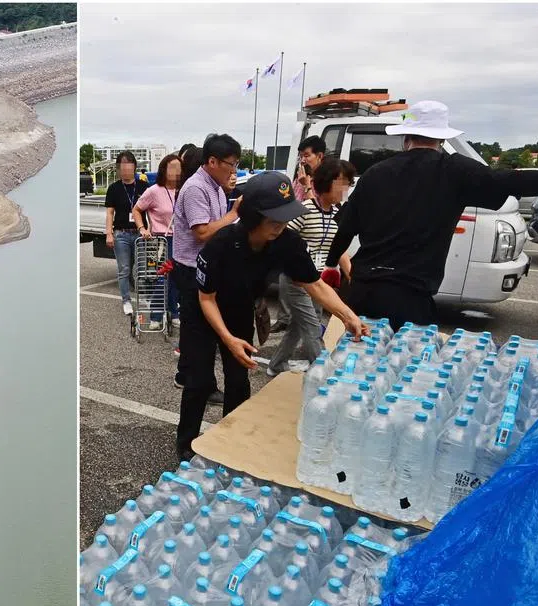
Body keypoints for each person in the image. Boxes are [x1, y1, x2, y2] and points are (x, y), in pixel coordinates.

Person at [323, 100, 538, 328]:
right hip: (409, 300)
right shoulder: (455, 171)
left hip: (361, 293)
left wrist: (332, 264)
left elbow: (346, 228)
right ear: (442, 140)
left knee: (354, 370)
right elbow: (512, 181)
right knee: (401, 373)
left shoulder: (375, 173)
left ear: (405, 138)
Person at [176, 171, 369, 462]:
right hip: (203, 310)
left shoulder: (286, 241)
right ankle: (186, 444)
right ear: (253, 216)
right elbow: (206, 298)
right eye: (274, 219)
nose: (281, 226)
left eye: (285, 217)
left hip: (240, 307)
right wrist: (227, 339)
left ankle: (231, 438)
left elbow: (314, 284)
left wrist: (348, 316)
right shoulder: (222, 243)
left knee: (238, 378)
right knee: (199, 380)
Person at [266, 158, 357, 377]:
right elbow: (283, 239)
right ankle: (326, 375)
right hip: (297, 281)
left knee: (299, 326)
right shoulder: (304, 209)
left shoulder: (338, 215)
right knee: (313, 327)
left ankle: (276, 364)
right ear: (326, 182)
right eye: (341, 182)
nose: (345, 189)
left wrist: (351, 274)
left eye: (348, 183)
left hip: (319, 282)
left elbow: (340, 249)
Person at [171, 134, 243, 396]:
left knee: (200, 329)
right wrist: (234, 215)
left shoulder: (215, 186)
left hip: (206, 265)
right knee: (198, 332)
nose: (234, 170)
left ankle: (188, 376)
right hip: (191, 269)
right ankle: (200, 385)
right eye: (231, 164)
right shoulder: (196, 188)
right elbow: (201, 232)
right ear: (212, 161)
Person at [273, 135, 330, 336]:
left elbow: (317, 209)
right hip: (294, 234)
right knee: (285, 279)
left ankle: (312, 333)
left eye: (307, 155)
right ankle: (285, 320)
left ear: (320, 156)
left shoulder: (325, 181)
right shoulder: (299, 177)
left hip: (314, 242)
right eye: (301, 156)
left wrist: (307, 186)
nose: (303, 160)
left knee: (313, 288)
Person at [133, 153, 183, 326]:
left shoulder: (183, 190)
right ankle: (155, 315)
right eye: (172, 168)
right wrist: (142, 228)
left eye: (179, 168)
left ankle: (174, 312)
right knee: (163, 277)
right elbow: (137, 210)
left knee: (176, 277)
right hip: (160, 240)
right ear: (164, 170)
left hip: (180, 239)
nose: (176, 172)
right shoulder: (154, 191)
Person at [104, 151, 149, 315]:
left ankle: (144, 297)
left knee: (143, 268)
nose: (125, 172)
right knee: (124, 269)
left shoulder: (144, 187)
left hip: (140, 234)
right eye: (121, 169)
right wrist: (109, 233)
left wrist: (149, 228)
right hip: (121, 234)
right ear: (118, 169)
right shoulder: (114, 188)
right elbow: (110, 213)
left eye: (128, 168)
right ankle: (126, 300)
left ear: (134, 168)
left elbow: (150, 211)